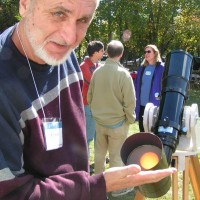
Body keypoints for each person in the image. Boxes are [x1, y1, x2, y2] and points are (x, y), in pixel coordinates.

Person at [0, 1, 176, 199]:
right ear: (24, 4)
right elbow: (11, 193)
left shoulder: (62, 53)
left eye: (83, 20)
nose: (70, 37)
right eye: (58, 13)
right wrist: (94, 186)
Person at [87, 40, 134, 197]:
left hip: (100, 122)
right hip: (118, 124)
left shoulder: (97, 72)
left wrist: (97, 113)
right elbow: (130, 101)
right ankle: (116, 189)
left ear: (106, 52)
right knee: (116, 158)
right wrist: (130, 119)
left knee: (99, 156)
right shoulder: (124, 75)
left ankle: (96, 186)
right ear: (121, 54)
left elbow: (89, 96)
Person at [80, 41, 104, 156]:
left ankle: (99, 161)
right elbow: (94, 83)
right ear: (95, 53)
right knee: (88, 136)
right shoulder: (83, 66)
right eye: (102, 51)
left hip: (97, 106)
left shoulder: (98, 66)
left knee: (98, 136)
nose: (103, 53)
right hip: (87, 105)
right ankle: (85, 163)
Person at [134, 44, 164, 132]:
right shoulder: (142, 68)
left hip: (154, 105)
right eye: (145, 52)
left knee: (153, 129)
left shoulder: (161, 68)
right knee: (142, 129)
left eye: (149, 51)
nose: (146, 54)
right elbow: (136, 84)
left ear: (155, 53)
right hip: (141, 103)